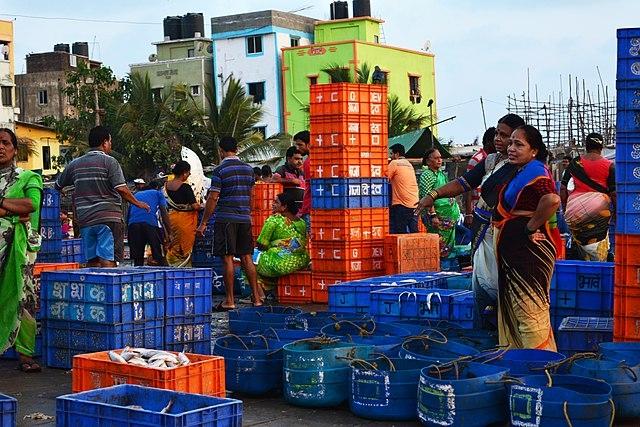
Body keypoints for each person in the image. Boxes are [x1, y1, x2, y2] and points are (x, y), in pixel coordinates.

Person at [415, 114, 526, 329]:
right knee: (483, 284)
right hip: (484, 232)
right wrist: (434, 195)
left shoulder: (523, 167)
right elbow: (464, 183)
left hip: (506, 233)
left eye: (505, 135)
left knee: (505, 287)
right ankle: (485, 330)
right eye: (497, 134)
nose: (498, 139)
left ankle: (506, 331)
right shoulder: (491, 161)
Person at [492, 125, 561, 350]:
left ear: (534, 150)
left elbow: (552, 200)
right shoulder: (522, 170)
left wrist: (530, 228)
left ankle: (539, 368)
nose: (511, 148)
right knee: (523, 311)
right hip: (518, 249)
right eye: (511, 143)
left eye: (518, 144)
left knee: (530, 310)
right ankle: (526, 361)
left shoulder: (537, 172)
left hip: (528, 251)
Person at [55, 126, 149, 267]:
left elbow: (57, 186)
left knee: (92, 260)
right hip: (108, 218)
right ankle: (110, 287)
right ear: (105, 142)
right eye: (110, 142)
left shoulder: (75, 164)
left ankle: (95, 287)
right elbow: (121, 189)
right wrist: (138, 203)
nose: (110, 145)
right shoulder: (110, 162)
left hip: (85, 220)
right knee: (108, 258)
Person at [197, 136, 262, 310]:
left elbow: (213, 197)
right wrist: (248, 213)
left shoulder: (220, 170)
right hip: (244, 218)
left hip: (226, 218)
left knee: (227, 259)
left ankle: (230, 300)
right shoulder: (248, 170)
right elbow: (252, 196)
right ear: (237, 149)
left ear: (221, 150)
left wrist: (203, 223)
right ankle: (256, 298)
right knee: (247, 257)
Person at [0, 128, 43, 372]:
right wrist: (13, 211)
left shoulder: (27, 178)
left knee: (23, 296)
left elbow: (31, 204)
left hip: (18, 248)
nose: (0, 147)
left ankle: (25, 355)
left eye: (5, 142)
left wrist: (2, 205)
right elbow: (21, 210)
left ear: (15, 149)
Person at [560, 133, 615, 261]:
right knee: (596, 247)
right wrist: (617, 212)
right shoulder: (609, 166)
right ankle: (595, 271)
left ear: (586, 146)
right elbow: (613, 193)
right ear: (601, 148)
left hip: (574, 211)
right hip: (599, 210)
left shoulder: (575, 163)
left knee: (580, 245)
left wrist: (565, 207)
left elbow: (563, 188)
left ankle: (580, 270)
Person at [255, 193, 310, 289]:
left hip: (280, 263)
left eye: (276, 202)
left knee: (248, 260)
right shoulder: (302, 222)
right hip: (301, 261)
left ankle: (260, 294)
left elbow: (261, 244)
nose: (272, 204)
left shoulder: (274, 220)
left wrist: (272, 246)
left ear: (284, 207)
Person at [418, 148, 460, 258]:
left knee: (448, 247)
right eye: (436, 158)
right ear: (428, 161)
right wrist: (433, 215)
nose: (439, 160)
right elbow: (426, 196)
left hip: (449, 218)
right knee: (439, 246)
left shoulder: (441, 174)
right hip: (437, 218)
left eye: (440, 158)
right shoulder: (427, 175)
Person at [164, 161, 200, 267]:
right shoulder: (185, 187)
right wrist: (205, 205)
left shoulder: (166, 186)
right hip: (185, 222)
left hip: (171, 219)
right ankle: (182, 269)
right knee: (183, 248)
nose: (189, 175)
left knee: (172, 244)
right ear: (184, 173)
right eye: (188, 172)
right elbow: (195, 206)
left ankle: (171, 265)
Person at [128, 180, 171, 266]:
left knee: (138, 259)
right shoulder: (158, 193)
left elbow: (128, 215)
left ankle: (138, 277)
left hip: (133, 225)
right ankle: (163, 275)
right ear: (158, 188)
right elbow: (163, 213)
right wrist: (170, 233)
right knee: (159, 255)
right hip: (150, 224)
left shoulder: (136, 195)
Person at [463, 127, 496, 227]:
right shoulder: (477, 159)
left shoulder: (494, 158)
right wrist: (469, 213)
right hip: (476, 207)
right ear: (489, 142)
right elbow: (468, 186)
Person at [387, 143, 419, 234]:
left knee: (399, 232)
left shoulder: (394, 163)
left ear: (397, 154)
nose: (391, 157)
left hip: (402, 204)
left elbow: (384, 179)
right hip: (414, 203)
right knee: (414, 233)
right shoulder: (409, 165)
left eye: (391, 154)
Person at [293, 131, 311, 233]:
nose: (298, 148)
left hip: (309, 208)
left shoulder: (308, 162)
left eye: (300, 144)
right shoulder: (310, 161)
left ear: (309, 144)